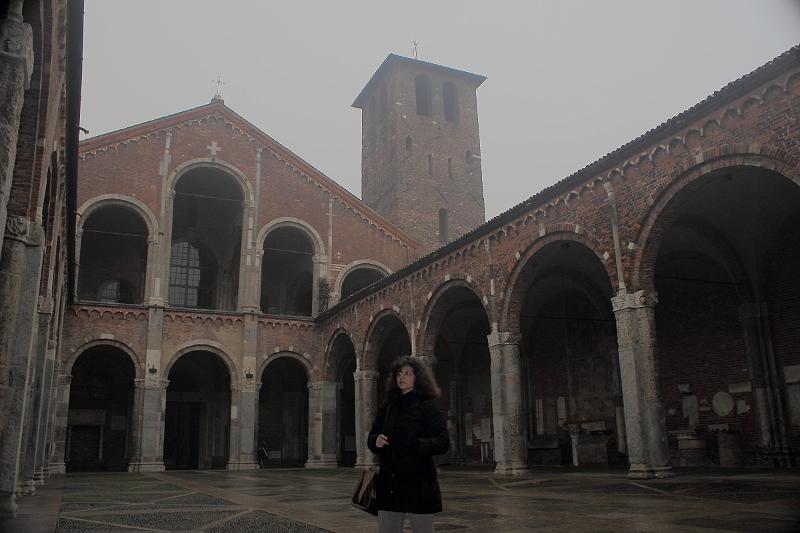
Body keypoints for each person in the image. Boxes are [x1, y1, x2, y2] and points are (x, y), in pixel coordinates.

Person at [367, 355, 450, 533]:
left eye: (407, 373)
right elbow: (373, 434)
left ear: (418, 377)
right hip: (390, 483)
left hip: (418, 483)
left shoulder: (428, 405)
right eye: (398, 373)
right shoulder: (388, 405)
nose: (401, 377)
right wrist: (376, 440)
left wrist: (417, 445)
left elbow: (443, 442)